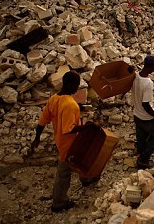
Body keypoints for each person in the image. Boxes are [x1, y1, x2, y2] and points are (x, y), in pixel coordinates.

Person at [31, 71, 95, 213]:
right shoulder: (70, 105)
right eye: (77, 85)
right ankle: (59, 202)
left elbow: (42, 121)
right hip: (69, 144)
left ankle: (85, 179)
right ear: (71, 84)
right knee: (64, 172)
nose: (77, 88)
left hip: (60, 140)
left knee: (80, 160)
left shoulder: (54, 99)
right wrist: (85, 127)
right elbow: (69, 129)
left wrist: (37, 138)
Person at [131, 55, 154, 169]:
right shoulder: (148, 83)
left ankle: (140, 152)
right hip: (146, 118)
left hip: (137, 114)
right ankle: (143, 160)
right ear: (152, 66)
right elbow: (146, 104)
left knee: (141, 137)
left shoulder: (135, 76)